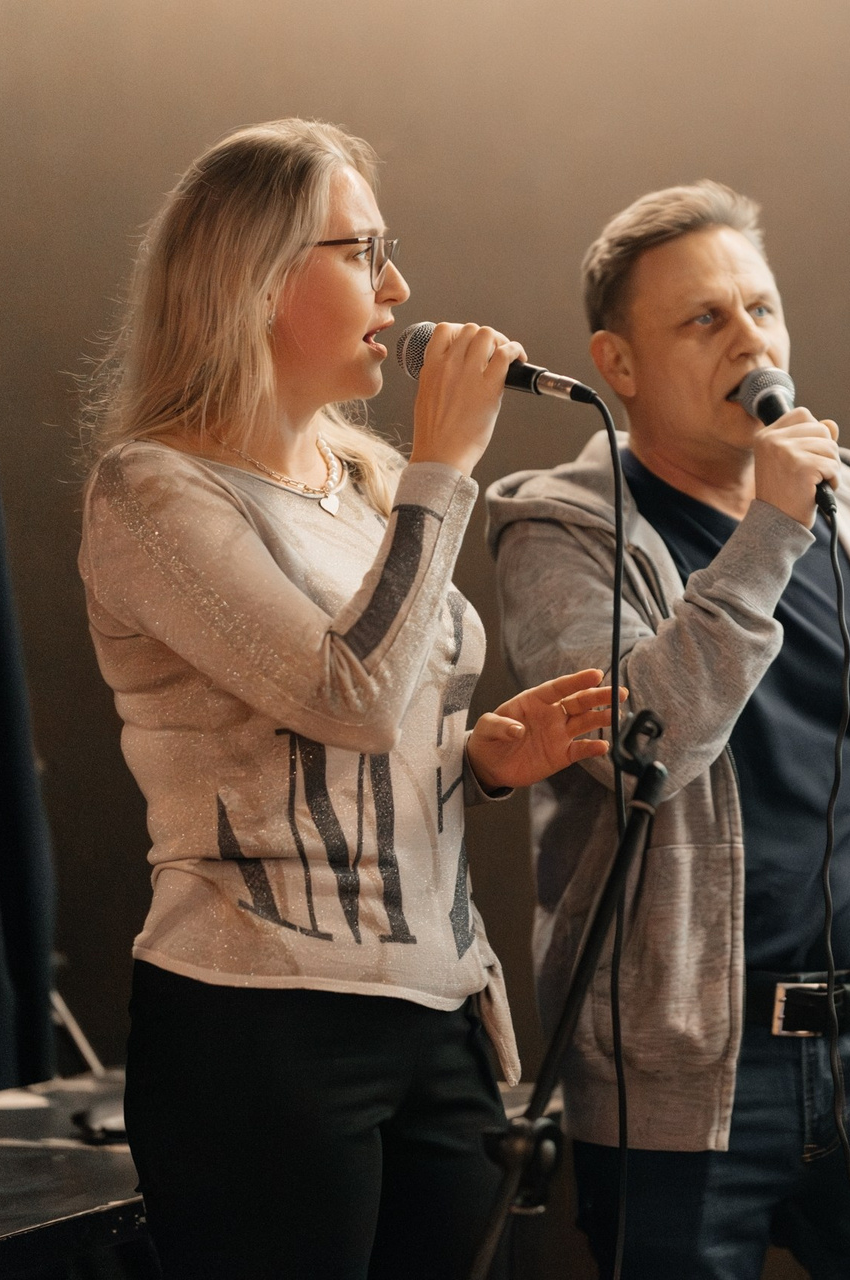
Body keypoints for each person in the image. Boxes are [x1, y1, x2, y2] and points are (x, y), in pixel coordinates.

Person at [77, 118, 616, 1279]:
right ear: (256, 275)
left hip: (437, 1005)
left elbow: (368, 726)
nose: (399, 287)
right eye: (363, 251)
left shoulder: (363, 481)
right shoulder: (153, 492)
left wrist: (475, 756)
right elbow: (347, 696)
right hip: (263, 1019)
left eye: (390, 251)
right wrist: (445, 467)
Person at [486, 181, 850, 1278]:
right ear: (618, 364)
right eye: (704, 319)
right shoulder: (560, 531)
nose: (750, 340)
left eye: (762, 309)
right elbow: (648, 750)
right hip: (674, 1080)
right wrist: (770, 529)